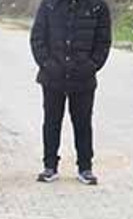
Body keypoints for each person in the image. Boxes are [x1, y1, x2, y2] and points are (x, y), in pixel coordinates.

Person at [30, 0, 113, 185]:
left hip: (83, 77)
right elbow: (37, 38)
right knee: (51, 121)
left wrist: (91, 66)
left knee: (83, 122)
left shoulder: (97, 6)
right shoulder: (49, 4)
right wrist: (47, 64)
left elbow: (103, 41)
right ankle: (49, 166)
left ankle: (85, 168)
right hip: (53, 76)